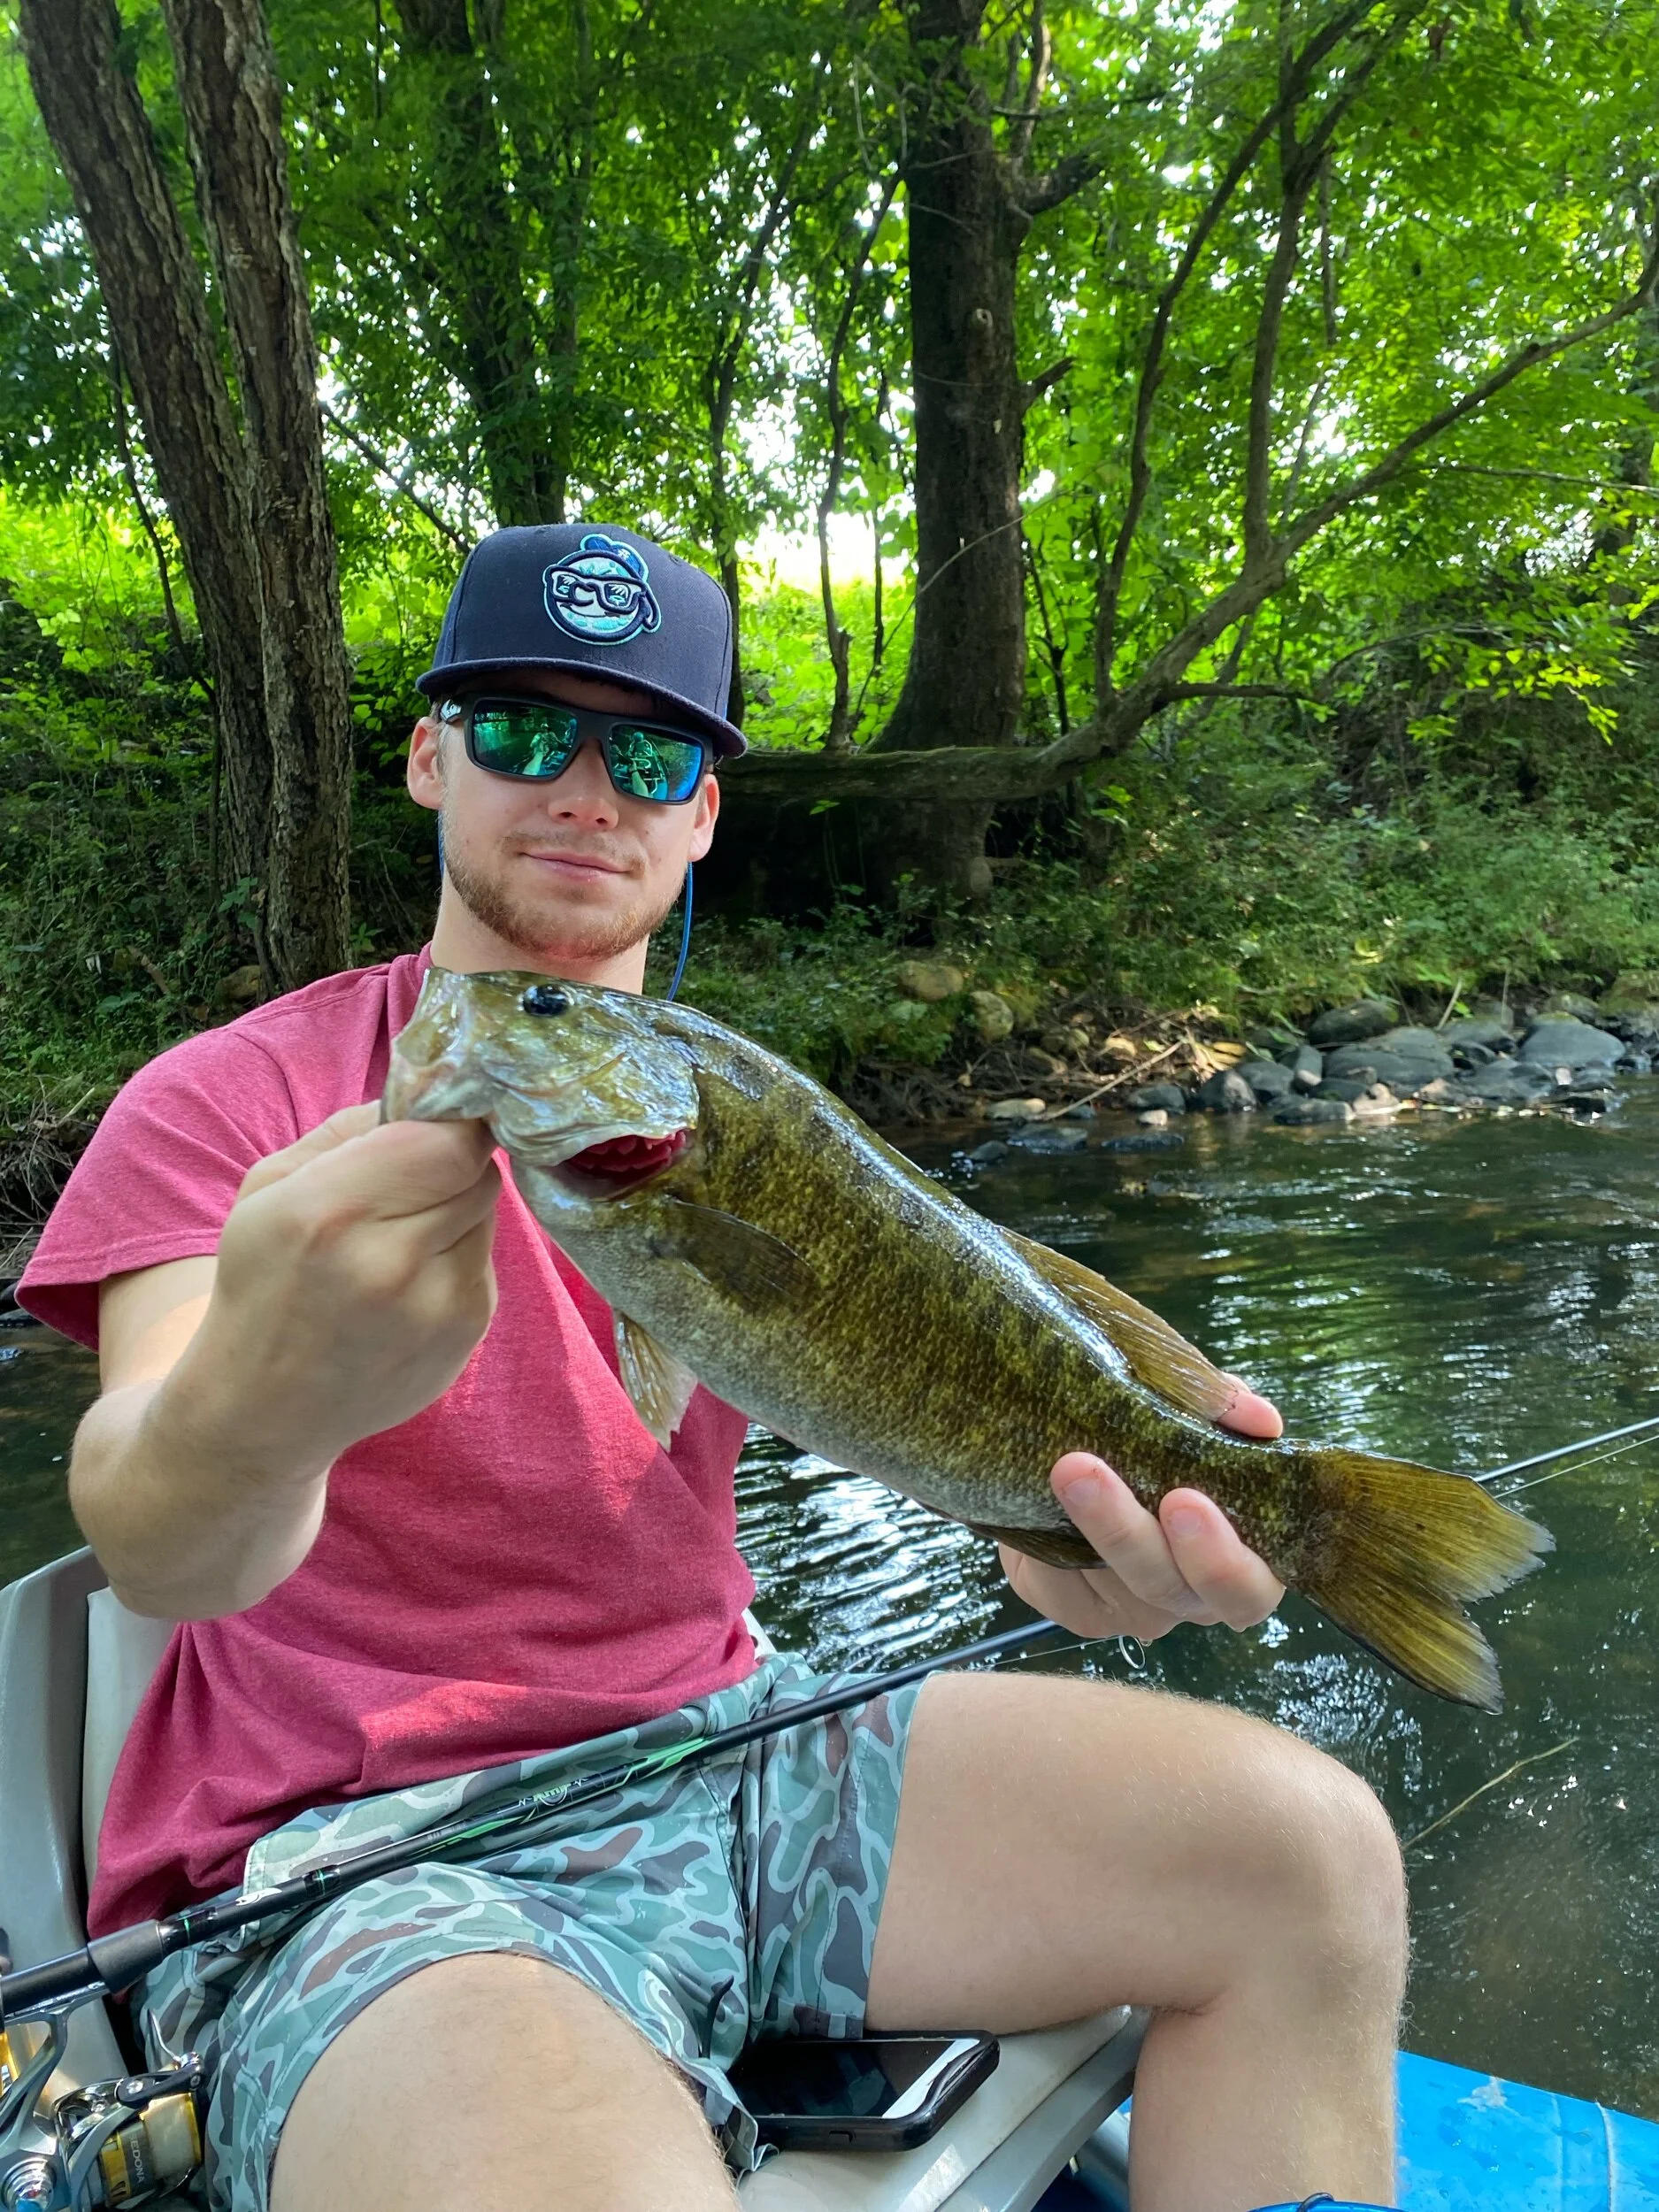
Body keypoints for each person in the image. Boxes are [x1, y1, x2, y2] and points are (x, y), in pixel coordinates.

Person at [19, 525, 1406, 2212]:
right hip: (362, 1853)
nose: (586, 790)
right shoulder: (224, 1103)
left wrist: (1065, 1551)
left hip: (734, 1751)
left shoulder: (740, 1113)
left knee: (1307, 1860)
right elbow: (160, 1536)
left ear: (701, 812)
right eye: (526, 730)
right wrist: (267, 1394)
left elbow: (905, 1386)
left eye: (652, 751)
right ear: (427, 755)